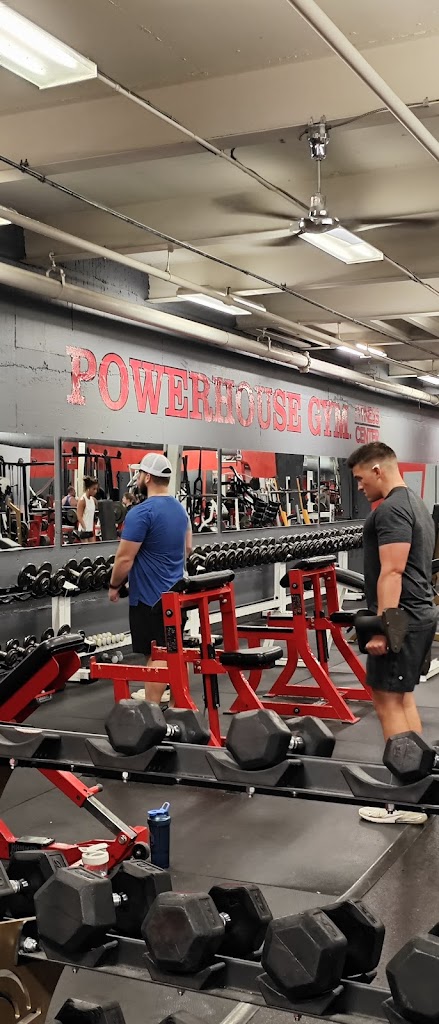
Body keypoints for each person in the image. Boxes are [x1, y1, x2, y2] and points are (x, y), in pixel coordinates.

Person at [347, 442, 437, 824]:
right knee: (402, 699)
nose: (359, 486)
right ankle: (418, 785)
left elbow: (393, 573)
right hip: (418, 614)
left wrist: (385, 631)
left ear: (378, 470)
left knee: (386, 702)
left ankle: (403, 802)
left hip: (405, 618)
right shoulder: (415, 503)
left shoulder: (393, 509)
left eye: (360, 478)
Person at [108, 452, 191, 703]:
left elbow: (124, 559)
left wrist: (114, 585)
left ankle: (152, 712)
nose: (138, 478)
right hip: (176, 594)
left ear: (147, 477)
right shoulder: (181, 510)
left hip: (150, 599)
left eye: (140, 474)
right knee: (174, 651)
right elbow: (188, 548)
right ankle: (179, 707)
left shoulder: (141, 513)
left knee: (157, 655)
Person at [77, 476, 98, 543]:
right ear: (88, 488)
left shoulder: (93, 500)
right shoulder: (82, 500)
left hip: (90, 530)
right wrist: (84, 528)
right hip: (83, 530)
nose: (95, 491)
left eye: (96, 489)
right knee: (86, 548)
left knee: (93, 548)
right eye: (93, 489)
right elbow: (79, 516)